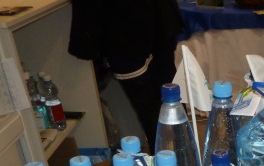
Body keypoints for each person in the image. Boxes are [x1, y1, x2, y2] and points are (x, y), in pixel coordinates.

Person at [68, 0, 184, 152]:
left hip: (127, 31)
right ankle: (179, 155)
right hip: (144, 25)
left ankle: (175, 155)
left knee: (157, 106)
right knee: (164, 101)